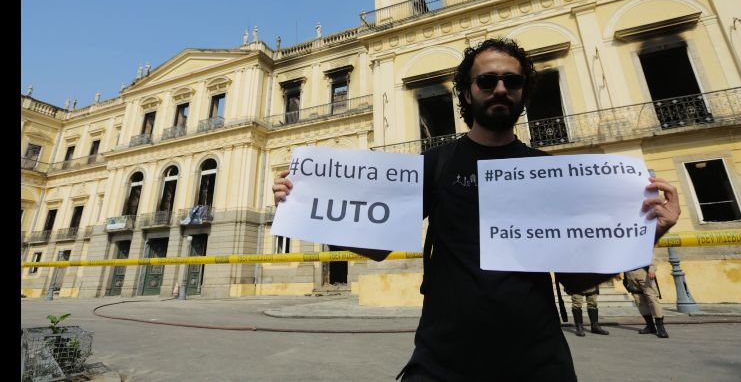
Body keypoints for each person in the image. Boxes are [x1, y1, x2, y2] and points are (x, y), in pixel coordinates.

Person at [273, 38, 681, 381]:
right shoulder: (437, 163)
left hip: (536, 362)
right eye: (487, 80)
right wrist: (305, 208)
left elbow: (575, 281)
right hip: (443, 361)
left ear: (523, 92)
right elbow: (378, 247)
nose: (500, 88)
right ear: (468, 93)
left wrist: (650, 231)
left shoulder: (549, 172)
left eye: (512, 81)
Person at [624, 264, 668, 338]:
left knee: (652, 298)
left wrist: (652, 269)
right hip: (629, 273)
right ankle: (650, 326)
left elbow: (651, 256)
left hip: (643, 272)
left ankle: (660, 328)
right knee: (639, 301)